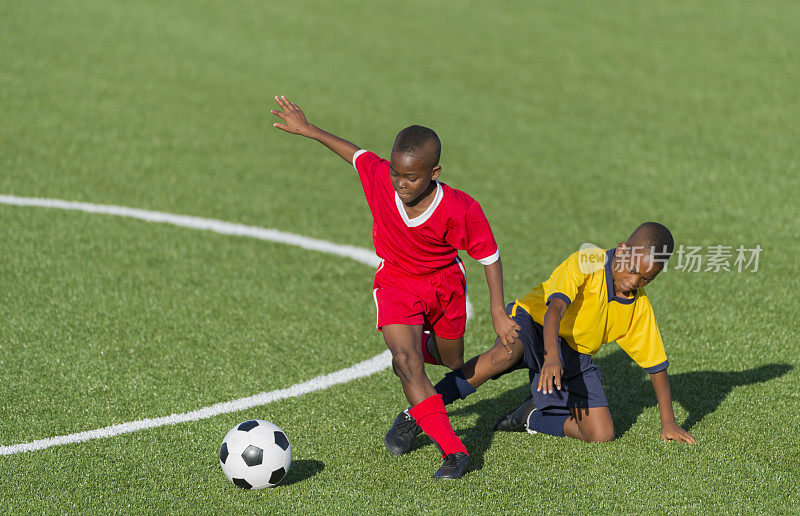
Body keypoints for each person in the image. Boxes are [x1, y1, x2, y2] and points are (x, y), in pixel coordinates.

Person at [270, 96, 520, 478]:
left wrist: (498, 312)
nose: (400, 185)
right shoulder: (381, 177)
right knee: (407, 363)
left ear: (434, 172)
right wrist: (308, 129)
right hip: (397, 282)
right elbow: (355, 154)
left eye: (411, 178)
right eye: (396, 175)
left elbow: (490, 257)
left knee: (452, 361)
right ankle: (454, 451)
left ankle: (413, 405)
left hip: (445, 287)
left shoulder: (461, 208)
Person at [385, 222, 696, 450]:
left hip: (574, 353)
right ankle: (418, 412)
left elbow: (656, 366)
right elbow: (554, 310)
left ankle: (532, 416)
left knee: (601, 434)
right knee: (502, 355)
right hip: (533, 323)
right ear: (624, 250)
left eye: (646, 279)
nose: (634, 281)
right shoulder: (589, 261)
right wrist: (551, 358)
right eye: (632, 271)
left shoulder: (638, 307)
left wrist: (667, 421)